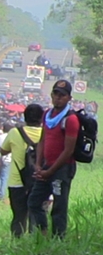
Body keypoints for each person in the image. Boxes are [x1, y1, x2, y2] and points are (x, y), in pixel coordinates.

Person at [28, 80, 80, 238]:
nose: (58, 98)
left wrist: (50, 171)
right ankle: (43, 233)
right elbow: (43, 140)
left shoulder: (71, 120)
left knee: (59, 205)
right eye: (56, 94)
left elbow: (68, 150)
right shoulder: (47, 115)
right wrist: (38, 164)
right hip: (46, 166)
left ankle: (58, 239)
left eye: (62, 95)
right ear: (51, 95)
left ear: (68, 98)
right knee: (34, 202)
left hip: (62, 169)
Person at [0, 104, 43, 237]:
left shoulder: (14, 132)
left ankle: (18, 243)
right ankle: (34, 242)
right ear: (41, 118)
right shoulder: (45, 133)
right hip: (39, 180)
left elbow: (3, 150)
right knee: (36, 215)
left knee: (18, 216)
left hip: (17, 181)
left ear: (25, 117)